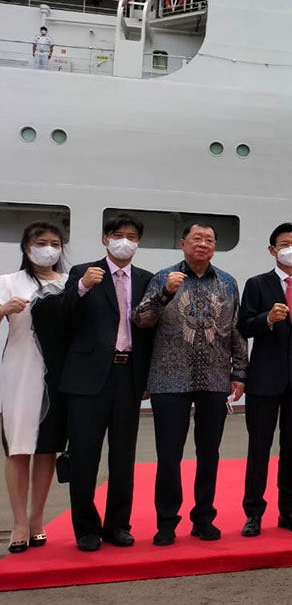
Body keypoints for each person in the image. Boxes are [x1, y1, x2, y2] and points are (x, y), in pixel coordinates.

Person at [133, 222, 248, 545]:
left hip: (214, 379)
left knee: (209, 452)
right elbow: (141, 319)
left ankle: (204, 518)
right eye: (196, 238)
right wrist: (165, 293)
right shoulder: (163, 278)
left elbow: (236, 331)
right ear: (183, 243)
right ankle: (166, 521)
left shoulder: (227, 283)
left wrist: (239, 373)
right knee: (169, 454)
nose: (203, 244)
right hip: (169, 379)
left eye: (209, 239)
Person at [58, 214, 154, 551]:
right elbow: (64, 317)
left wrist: (147, 378)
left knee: (123, 456)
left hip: (128, 374)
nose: (124, 241)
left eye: (131, 236)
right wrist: (82, 286)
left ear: (138, 243)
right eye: (118, 235)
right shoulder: (83, 273)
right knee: (84, 455)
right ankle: (85, 528)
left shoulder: (146, 279)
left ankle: (117, 525)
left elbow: (151, 331)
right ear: (105, 239)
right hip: (88, 378)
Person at [238, 223, 292, 537]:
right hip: (264, 380)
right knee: (259, 448)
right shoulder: (257, 284)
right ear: (272, 250)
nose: (290, 248)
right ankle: (253, 513)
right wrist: (266, 320)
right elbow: (244, 326)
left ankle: (288, 510)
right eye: (283, 243)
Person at [0, 222, 68, 553]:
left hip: (57, 375)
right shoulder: (9, 282)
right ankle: (18, 522)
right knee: (18, 447)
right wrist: (3, 309)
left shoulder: (69, 284)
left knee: (46, 448)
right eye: (41, 242)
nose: (48, 248)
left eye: (55, 243)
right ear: (27, 247)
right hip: (19, 373)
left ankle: (38, 518)